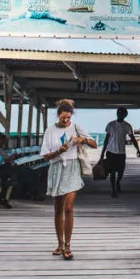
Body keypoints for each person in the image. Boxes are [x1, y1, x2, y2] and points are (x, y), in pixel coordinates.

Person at [40, 99, 97, 259]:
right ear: (58, 115)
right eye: (63, 118)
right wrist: (59, 151)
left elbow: (94, 144)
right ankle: (59, 243)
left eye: (68, 118)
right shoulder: (50, 131)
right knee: (58, 208)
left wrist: (82, 140)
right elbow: (45, 156)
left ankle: (68, 245)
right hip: (57, 168)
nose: (66, 121)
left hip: (72, 168)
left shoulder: (76, 127)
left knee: (69, 207)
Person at [0, 133, 45, 201]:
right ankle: (35, 194)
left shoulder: (0, 149)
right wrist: (11, 158)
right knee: (27, 173)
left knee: (31, 171)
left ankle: (29, 193)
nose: (3, 142)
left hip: (12, 166)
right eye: (2, 140)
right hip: (7, 168)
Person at [100, 106, 140, 197]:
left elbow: (133, 138)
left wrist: (138, 149)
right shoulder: (110, 125)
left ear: (125, 115)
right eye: (118, 113)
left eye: (122, 113)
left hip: (121, 152)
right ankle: (113, 190)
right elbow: (106, 140)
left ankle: (118, 182)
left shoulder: (127, 126)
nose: (119, 115)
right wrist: (102, 153)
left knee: (121, 171)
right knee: (112, 172)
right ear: (117, 113)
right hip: (111, 151)